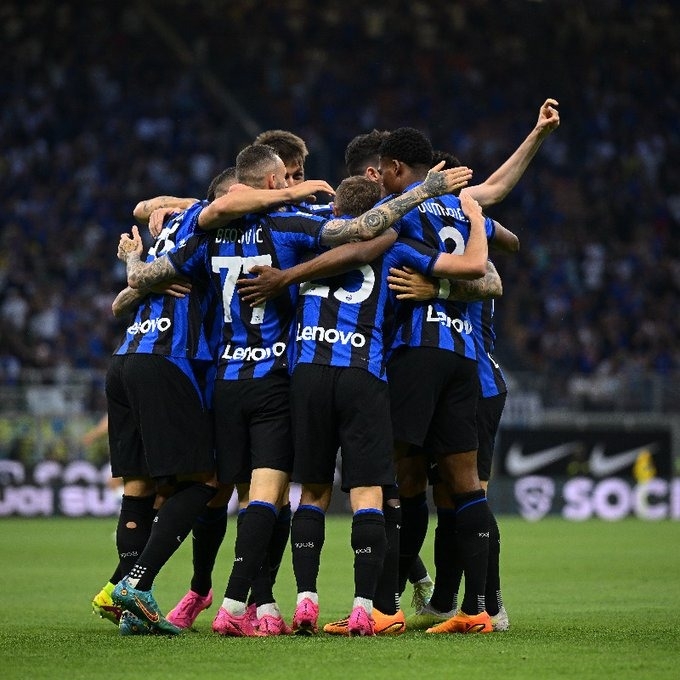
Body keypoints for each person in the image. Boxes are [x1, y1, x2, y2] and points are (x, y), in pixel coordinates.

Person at [117, 144, 474, 637]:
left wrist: (138, 265)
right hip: (285, 378)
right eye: (288, 178)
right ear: (271, 183)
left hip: (229, 380)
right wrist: (424, 195)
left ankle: (241, 602)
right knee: (282, 496)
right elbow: (363, 232)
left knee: (235, 494)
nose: (294, 185)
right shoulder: (294, 226)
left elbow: (135, 283)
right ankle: (247, 606)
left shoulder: (205, 231)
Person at [234, 173, 489, 636]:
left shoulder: (310, 241)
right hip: (364, 372)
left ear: (335, 213)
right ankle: (363, 608)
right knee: (368, 493)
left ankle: (306, 603)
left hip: (307, 372)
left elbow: (237, 204)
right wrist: (473, 218)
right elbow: (474, 268)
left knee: (312, 492)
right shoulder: (398, 246)